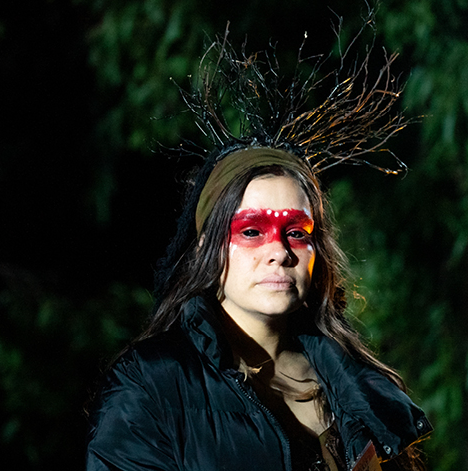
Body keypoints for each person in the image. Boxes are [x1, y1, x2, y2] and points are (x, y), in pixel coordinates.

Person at [86, 19, 432, 471]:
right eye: (251, 230)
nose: (279, 251)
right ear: (209, 244)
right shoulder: (152, 384)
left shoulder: (364, 390)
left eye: (296, 231)